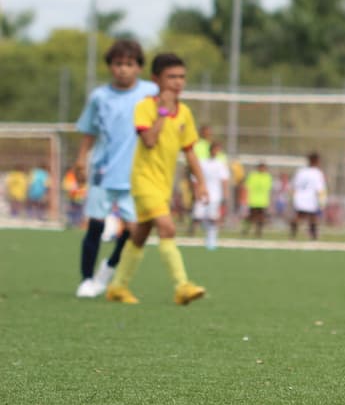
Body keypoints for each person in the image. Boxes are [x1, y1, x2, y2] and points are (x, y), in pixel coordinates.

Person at [104, 53, 207, 305]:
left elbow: (190, 151)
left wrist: (201, 182)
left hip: (163, 184)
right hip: (143, 180)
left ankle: (117, 286)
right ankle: (182, 285)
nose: (177, 82)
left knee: (140, 234)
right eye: (171, 77)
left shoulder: (185, 113)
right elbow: (149, 141)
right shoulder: (145, 107)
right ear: (156, 79)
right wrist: (163, 111)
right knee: (167, 227)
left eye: (181, 77)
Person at [72, 39, 158, 297]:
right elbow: (89, 131)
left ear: (139, 68)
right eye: (118, 64)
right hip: (103, 170)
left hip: (136, 174)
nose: (123, 69)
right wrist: (80, 159)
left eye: (129, 64)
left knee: (136, 231)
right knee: (96, 226)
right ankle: (86, 280)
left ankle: (109, 267)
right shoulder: (100, 97)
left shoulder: (149, 92)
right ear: (110, 66)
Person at [194, 140, 231, 250]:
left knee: (212, 218)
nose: (216, 151)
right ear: (211, 150)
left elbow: (224, 180)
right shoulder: (202, 163)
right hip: (203, 193)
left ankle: (212, 240)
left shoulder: (220, 164)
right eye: (215, 149)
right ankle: (202, 237)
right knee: (198, 217)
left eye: (218, 150)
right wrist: (196, 192)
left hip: (215, 195)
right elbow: (196, 179)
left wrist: (225, 195)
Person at [290, 152, 327, 240]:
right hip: (311, 198)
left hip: (300, 197)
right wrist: (322, 200)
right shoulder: (317, 173)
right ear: (316, 161)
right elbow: (320, 188)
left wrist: (293, 196)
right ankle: (313, 236)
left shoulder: (301, 171)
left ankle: (292, 234)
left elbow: (294, 185)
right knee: (313, 217)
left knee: (299, 216)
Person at [243, 161, 273, 237]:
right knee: (252, 217)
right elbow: (247, 187)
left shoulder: (267, 176)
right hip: (253, 200)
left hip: (263, 201)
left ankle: (258, 232)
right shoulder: (253, 176)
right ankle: (246, 229)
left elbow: (269, 189)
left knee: (261, 218)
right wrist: (245, 198)